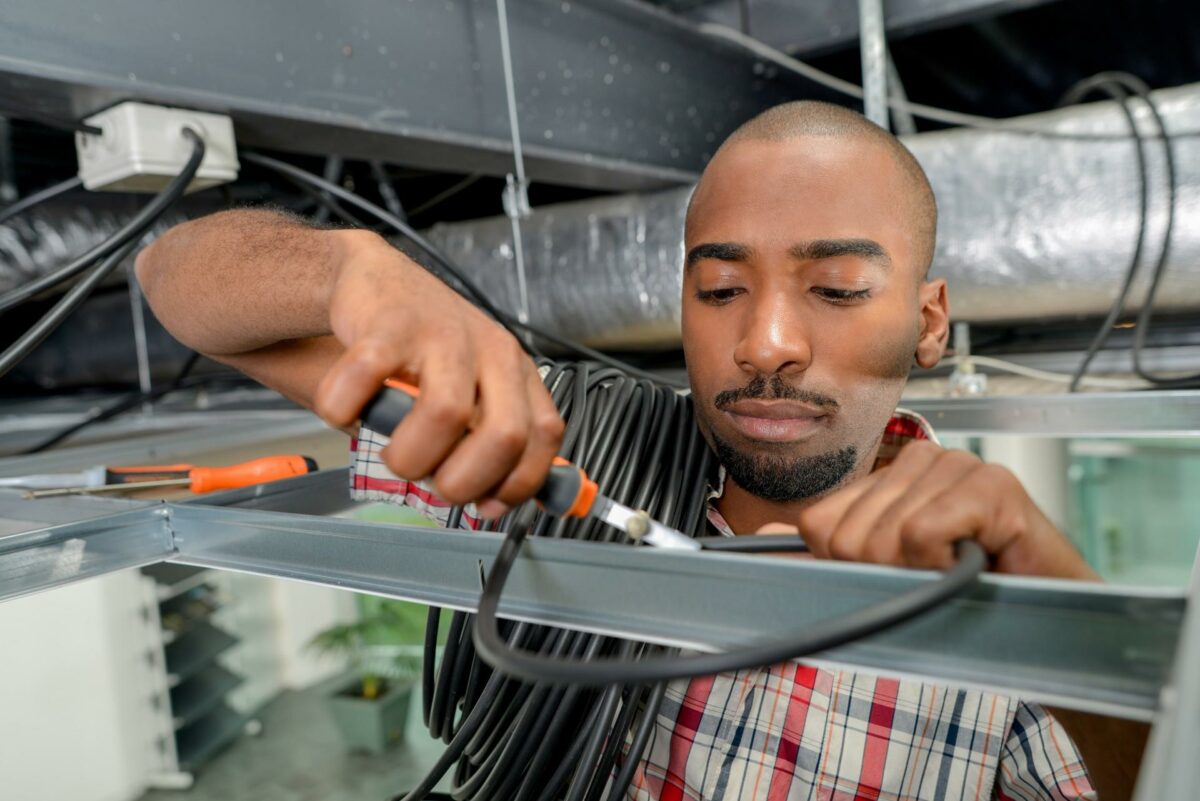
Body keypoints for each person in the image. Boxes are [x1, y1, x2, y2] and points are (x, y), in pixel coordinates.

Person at [137, 101, 1128, 800]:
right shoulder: (555, 448)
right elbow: (173, 278)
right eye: (721, 290)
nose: (767, 343)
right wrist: (343, 269)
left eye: (835, 289)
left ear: (928, 321)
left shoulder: (997, 603)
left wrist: (1074, 620)